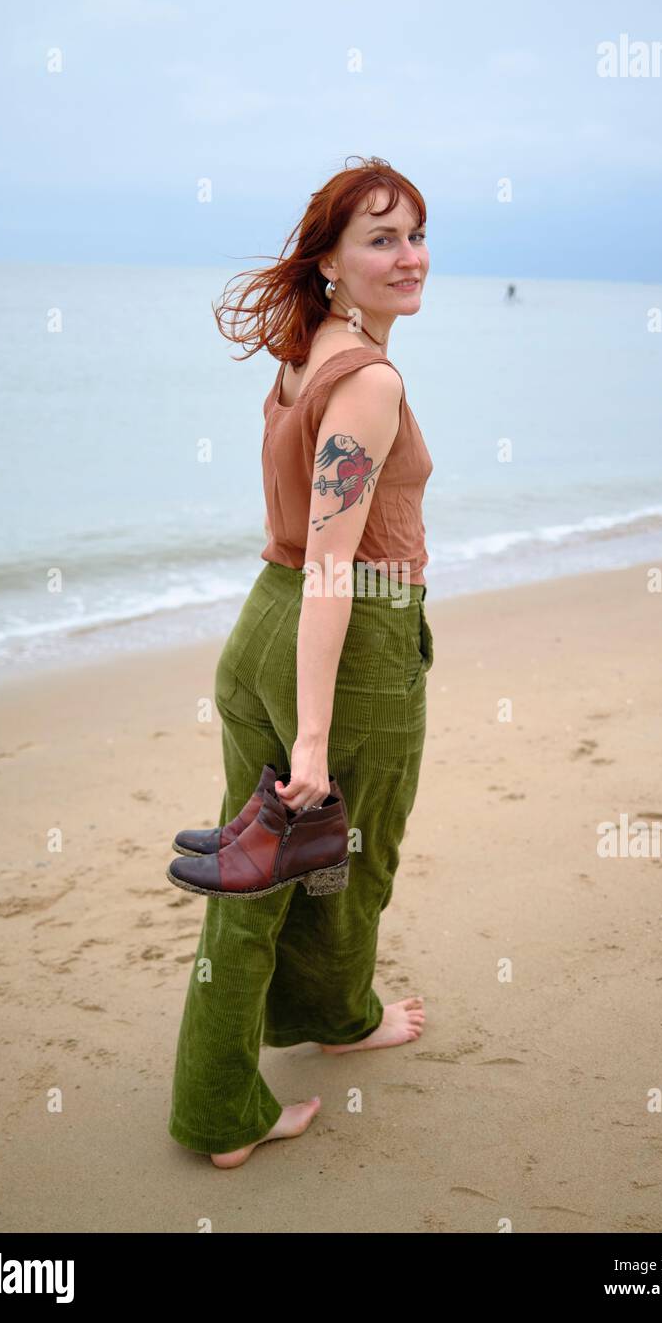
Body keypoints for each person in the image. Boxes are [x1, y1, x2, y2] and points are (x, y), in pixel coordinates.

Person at [167, 155, 435, 1168]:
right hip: (346, 639)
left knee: (259, 877)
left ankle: (301, 1032)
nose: (407, 256)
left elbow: (303, 554)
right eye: (379, 238)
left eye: (413, 233)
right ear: (329, 260)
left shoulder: (310, 347)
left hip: (259, 630)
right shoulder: (366, 380)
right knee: (344, 867)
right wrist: (316, 739)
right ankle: (237, 1102)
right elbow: (334, 569)